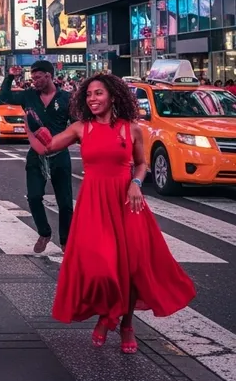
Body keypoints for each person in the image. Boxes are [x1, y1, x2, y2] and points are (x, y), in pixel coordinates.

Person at [28, 74, 195, 353]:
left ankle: (125, 325)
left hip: (127, 202)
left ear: (113, 97)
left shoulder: (132, 129)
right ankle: (109, 316)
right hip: (94, 204)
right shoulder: (81, 128)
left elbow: (141, 164)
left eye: (98, 93)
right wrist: (34, 127)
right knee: (101, 267)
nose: (92, 99)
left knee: (131, 269)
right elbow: (48, 147)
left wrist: (136, 183)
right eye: (88, 94)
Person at [0, 61, 73, 253]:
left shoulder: (66, 98)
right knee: (33, 196)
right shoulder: (29, 95)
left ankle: (65, 241)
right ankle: (44, 232)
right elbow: (4, 96)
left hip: (60, 153)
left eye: (38, 78)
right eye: (32, 78)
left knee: (65, 202)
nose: (35, 81)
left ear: (49, 76)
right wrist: (10, 77)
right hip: (36, 153)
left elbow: (76, 126)